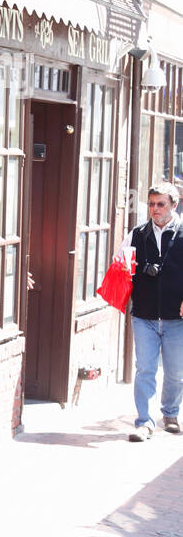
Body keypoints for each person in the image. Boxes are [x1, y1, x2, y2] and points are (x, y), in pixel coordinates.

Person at [122, 181, 183, 440]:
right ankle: (144, 422)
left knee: (176, 371)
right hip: (144, 315)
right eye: (151, 204)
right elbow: (122, 266)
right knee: (145, 368)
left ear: (174, 205)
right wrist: (124, 268)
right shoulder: (136, 234)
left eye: (161, 204)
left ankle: (170, 413)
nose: (155, 209)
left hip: (176, 318)